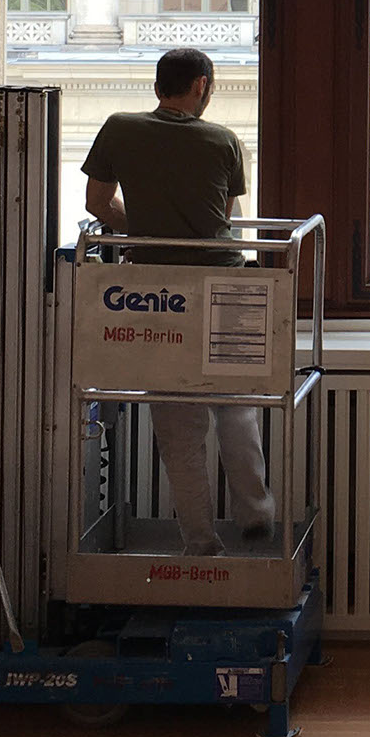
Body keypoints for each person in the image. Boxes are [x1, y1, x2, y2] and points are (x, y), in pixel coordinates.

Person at [82, 46, 275, 556]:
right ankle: (256, 515)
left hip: (157, 292)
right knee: (237, 408)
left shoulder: (119, 128)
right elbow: (223, 220)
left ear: (157, 87)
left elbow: (97, 203)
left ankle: (200, 540)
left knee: (177, 426)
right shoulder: (224, 140)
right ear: (201, 86)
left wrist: (145, 230)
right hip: (223, 287)